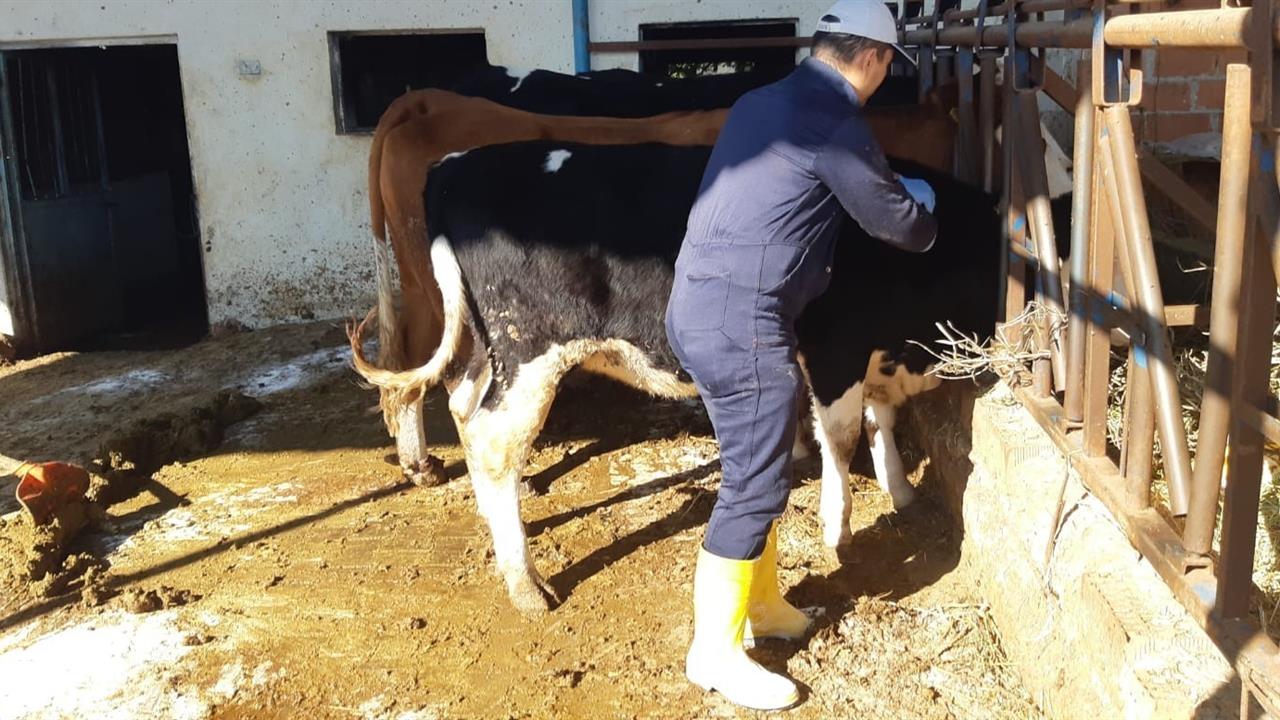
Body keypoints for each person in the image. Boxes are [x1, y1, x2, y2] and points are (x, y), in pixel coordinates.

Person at [664, 0, 939, 710]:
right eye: (886, 66)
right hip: (740, 321)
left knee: (754, 466)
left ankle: (761, 606)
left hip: (699, 301)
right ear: (874, 58)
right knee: (753, 485)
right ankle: (715, 653)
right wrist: (926, 207)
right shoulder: (835, 120)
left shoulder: (765, 99)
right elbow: (896, 225)